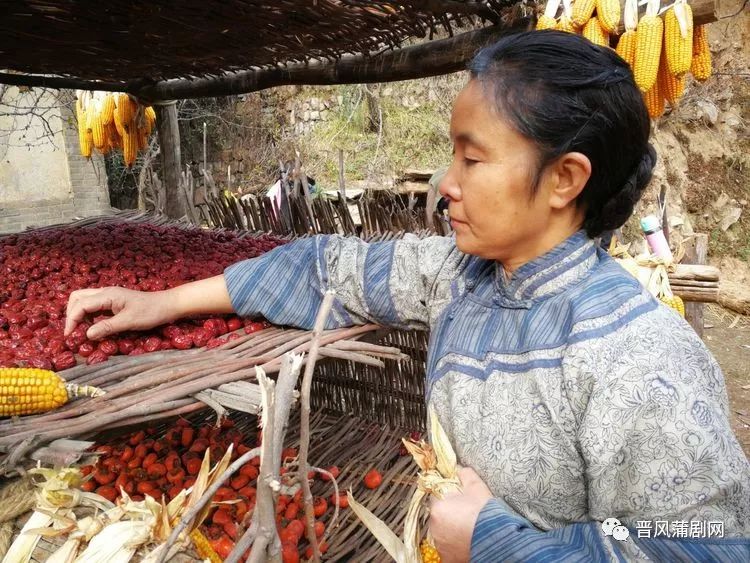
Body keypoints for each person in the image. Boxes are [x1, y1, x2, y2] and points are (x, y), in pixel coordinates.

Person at [66, 32, 748, 562]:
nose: (444, 184)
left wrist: (498, 542)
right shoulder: (461, 276)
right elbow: (322, 268)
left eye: (471, 159)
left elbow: (709, 542)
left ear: (565, 179)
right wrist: (163, 303)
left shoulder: (640, 357)